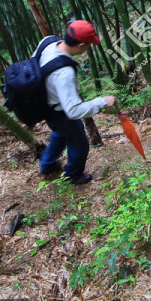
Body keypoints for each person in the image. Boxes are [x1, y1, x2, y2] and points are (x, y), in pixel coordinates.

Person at [38, 20, 116, 185]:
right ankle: (73, 175)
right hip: (60, 112)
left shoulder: (49, 41)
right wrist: (102, 102)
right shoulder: (64, 73)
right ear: (81, 45)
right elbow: (73, 111)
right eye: (88, 45)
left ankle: (46, 165)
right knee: (79, 143)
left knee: (60, 134)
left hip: (47, 104)